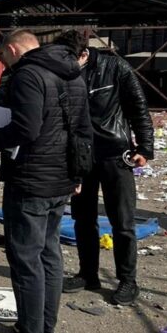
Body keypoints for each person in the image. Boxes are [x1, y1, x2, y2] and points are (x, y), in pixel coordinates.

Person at [0, 29, 92, 333]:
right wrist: (78, 174)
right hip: (61, 180)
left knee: (25, 259)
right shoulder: (73, 73)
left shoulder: (28, 75)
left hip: (31, 181)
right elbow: (84, 128)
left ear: (15, 48)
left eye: (3, 55)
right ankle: (46, 330)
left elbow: (26, 129)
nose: (3, 61)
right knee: (50, 253)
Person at [53, 30, 154, 305]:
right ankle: (88, 273)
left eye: (69, 58)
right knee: (83, 219)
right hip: (81, 157)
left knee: (122, 221)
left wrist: (144, 148)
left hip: (114, 153)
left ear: (84, 54)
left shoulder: (114, 67)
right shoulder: (65, 73)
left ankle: (127, 280)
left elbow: (138, 107)